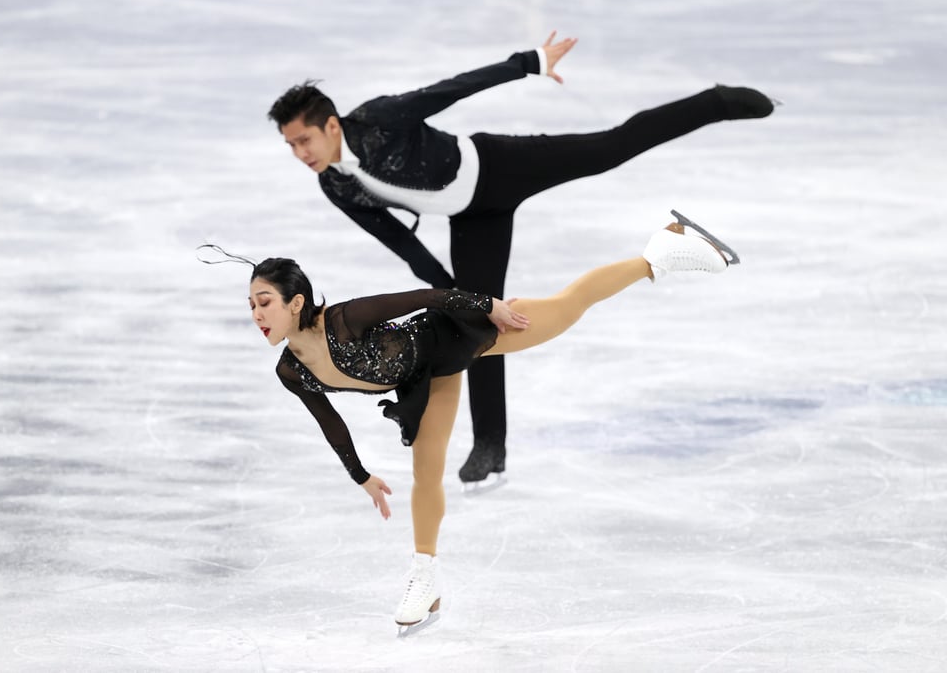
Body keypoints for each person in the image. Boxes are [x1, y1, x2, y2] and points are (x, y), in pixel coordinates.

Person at [266, 32, 774, 490]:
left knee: (609, 149)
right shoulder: (334, 183)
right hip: (472, 220)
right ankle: (491, 445)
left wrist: (528, 61)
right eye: (290, 145)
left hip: (500, 166)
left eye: (304, 140)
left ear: (331, 125)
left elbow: (449, 90)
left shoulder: (378, 120)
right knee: (477, 325)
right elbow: (398, 239)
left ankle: (716, 101)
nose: (300, 153)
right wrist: (453, 293)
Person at [205, 210, 738, 633]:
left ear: (296, 302)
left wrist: (490, 306)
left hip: (457, 331)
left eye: (265, 302)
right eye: (251, 304)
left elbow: (426, 296)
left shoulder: (345, 320)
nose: (256, 314)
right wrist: (360, 476)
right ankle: (424, 577)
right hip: (423, 380)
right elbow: (329, 422)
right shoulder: (290, 370)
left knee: (567, 308)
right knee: (426, 473)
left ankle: (659, 254)